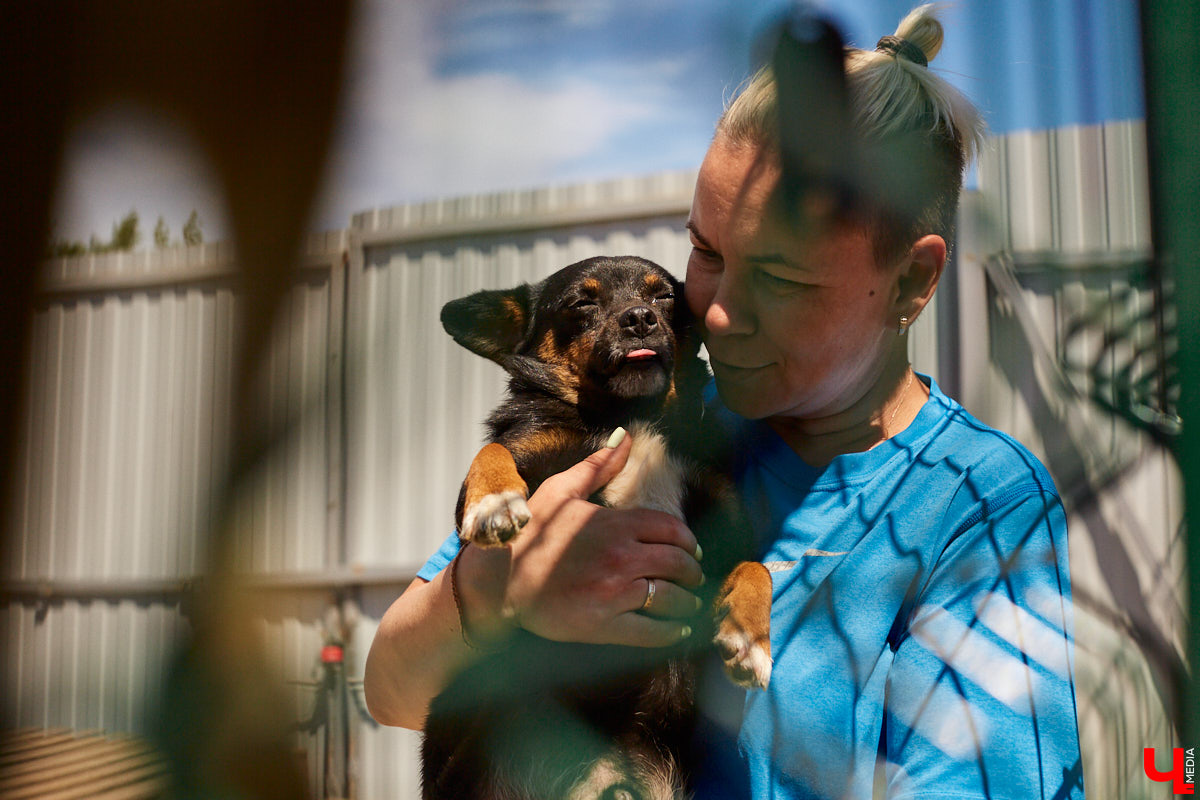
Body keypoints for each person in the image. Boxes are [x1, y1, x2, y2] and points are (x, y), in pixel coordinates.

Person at [365, 5, 1084, 798]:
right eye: (705, 252)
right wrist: (499, 591)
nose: (711, 313)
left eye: (779, 278)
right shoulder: (645, 427)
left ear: (912, 279)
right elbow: (391, 691)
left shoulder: (975, 501)